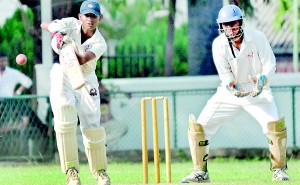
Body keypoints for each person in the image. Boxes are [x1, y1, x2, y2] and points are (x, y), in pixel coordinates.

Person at [181, 4, 289, 183]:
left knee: (274, 126)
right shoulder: (219, 44)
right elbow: (226, 76)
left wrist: (262, 80)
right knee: (199, 127)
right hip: (230, 93)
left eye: (233, 23)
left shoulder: (257, 37)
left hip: (257, 90)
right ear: (221, 27)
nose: (230, 28)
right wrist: (233, 87)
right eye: (226, 25)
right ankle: (200, 172)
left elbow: (270, 64)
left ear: (240, 22)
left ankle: (279, 170)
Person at [40, 1, 109, 185]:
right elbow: (44, 25)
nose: (90, 19)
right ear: (80, 17)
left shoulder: (99, 42)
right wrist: (56, 33)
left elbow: (82, 60)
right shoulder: (70, 23)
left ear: (99, 18)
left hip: (86, 76)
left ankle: (100, 172)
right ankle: (71, 172)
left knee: (92, 124)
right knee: (64, 118)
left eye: (94, 16)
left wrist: (67, 44)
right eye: (86, 15)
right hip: (63, 72)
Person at [76, 77, 128, 153]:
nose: (99, 87)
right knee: (73, 133)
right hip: (89, 126)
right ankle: (92, 150)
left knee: (122, 127)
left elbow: (107, 114)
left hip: (105, 125)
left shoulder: (105, 95)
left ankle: (101, 146)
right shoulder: (84, 95)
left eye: (100, 85)